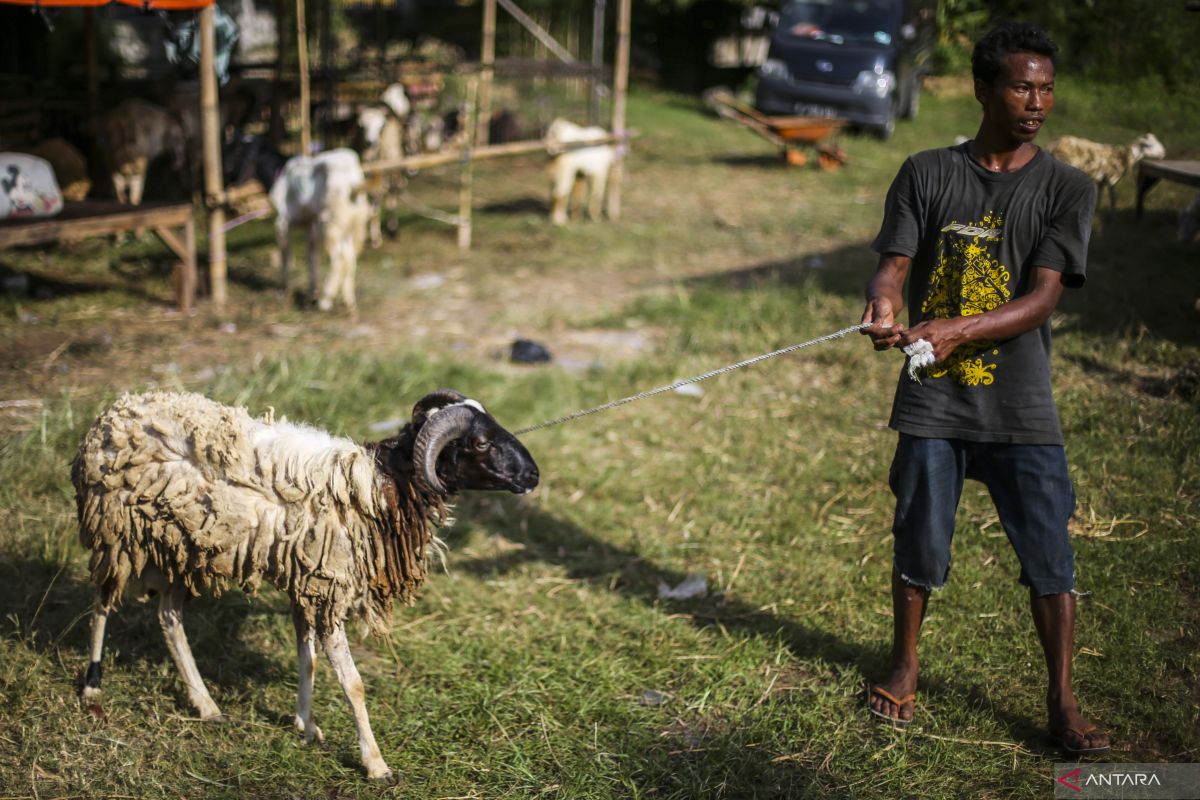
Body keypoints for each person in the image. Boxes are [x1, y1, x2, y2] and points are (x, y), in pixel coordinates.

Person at [859, 21, 1110, 755]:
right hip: (933, 401)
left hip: (1021, 404)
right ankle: (905, 665)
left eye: (1046, 87)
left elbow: (1042, 300)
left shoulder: (1068, 187)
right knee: (919, 537)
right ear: (982, 89)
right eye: (1021, 85)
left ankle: (1062, 700)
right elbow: (893, 266)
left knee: (1049, 554)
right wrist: (884, 304)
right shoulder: (926, 171)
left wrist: (958, 329)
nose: (1037, 101)